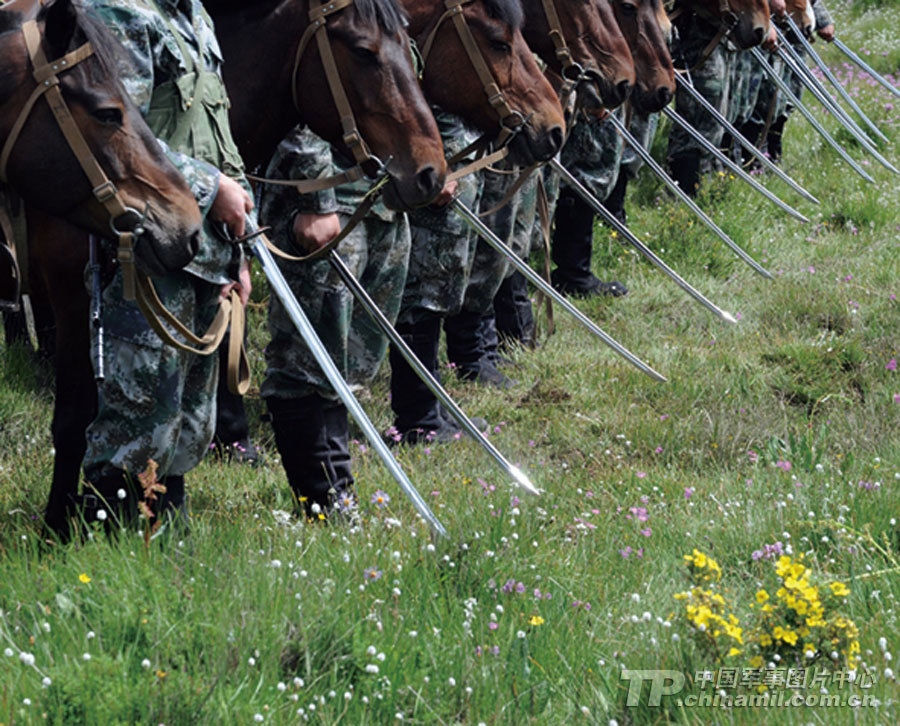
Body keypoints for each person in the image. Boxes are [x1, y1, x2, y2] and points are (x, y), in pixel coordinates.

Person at [80, 0, 254, 525]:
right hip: (147, 249)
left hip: (207, 249)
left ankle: (165, 535)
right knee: (138, 415)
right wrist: (211, 188)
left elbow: (219, 138)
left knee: (188, 421)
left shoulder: (196, 15)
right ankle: (108, 550)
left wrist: (239, 247)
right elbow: (112, 136)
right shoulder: (118, 10)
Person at [259, 126, 411, 516]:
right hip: (331, 204)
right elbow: (302, 117)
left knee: (347, 364)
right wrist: (318, 195)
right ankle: (322, 501)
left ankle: (338, 491)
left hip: (380, 197)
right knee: (305, 360)